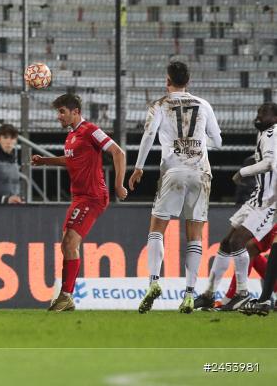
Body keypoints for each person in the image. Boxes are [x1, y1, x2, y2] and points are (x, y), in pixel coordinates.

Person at [129, 61, 222, 313]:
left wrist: (138, 167)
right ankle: (190, 294)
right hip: (201, 172)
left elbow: (149, 135)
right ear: (188, 81)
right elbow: (218, 141)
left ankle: (154, 282)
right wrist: (198, 143)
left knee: (157, 229)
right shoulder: (204, 105)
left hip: (173, 170)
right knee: (195, 234)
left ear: (168, 81)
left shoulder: (160, 104)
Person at [32, 93, 127, 312]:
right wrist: (46, 161)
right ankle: (66, 297)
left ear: (76, 112)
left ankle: (66, 296)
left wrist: (118, 185)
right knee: (67, 244)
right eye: (58, 112)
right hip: (79, 197)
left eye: (62, 111)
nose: (59, 116)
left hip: (93, 197)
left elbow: (118, 153)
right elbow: (71, 160)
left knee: (69, 243)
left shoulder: (90, 130)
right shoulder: (71, 136)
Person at [194, 103, 277, 311]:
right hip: (256, 198)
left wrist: (244, 171)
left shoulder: (273, 133)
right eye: (258, 112)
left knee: (240, 242)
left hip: (267, 203)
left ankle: (241, 293)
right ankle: (209, 293)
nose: (258, 116)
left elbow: (269, 163)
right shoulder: (266, 133)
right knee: (226, 243)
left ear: (275, 117)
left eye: (263, 113)